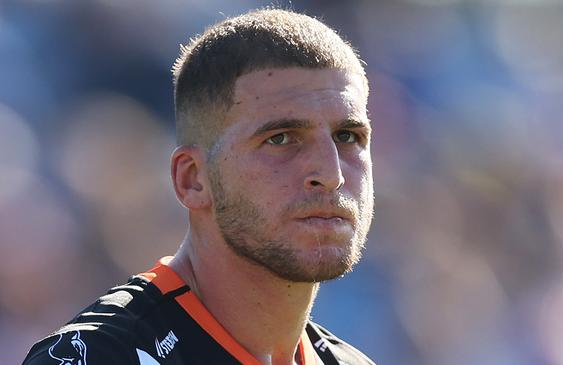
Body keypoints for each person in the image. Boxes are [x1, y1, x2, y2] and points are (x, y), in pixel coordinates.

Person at [23, 8, 375, 365]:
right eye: (281, 138)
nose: (331, 174)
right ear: (192, 179)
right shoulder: (98, 358)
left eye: (347, 136)